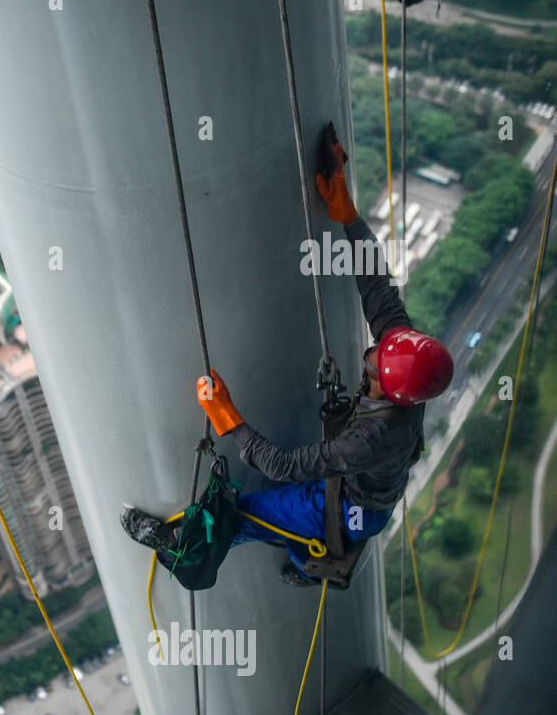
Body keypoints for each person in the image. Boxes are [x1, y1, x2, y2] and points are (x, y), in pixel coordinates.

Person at [122, 123, 454, 586]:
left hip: (352, 509)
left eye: (375, 361)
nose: (375, 349)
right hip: (365, 495)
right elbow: (377, 287)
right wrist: (348, 216)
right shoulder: (405, 363)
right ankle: (306, 568)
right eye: (383, 346)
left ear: (391, 388)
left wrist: (229, 420)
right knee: (296, 525)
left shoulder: (373, 439)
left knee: (248, 513)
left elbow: (281, 466)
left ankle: (184, 547)